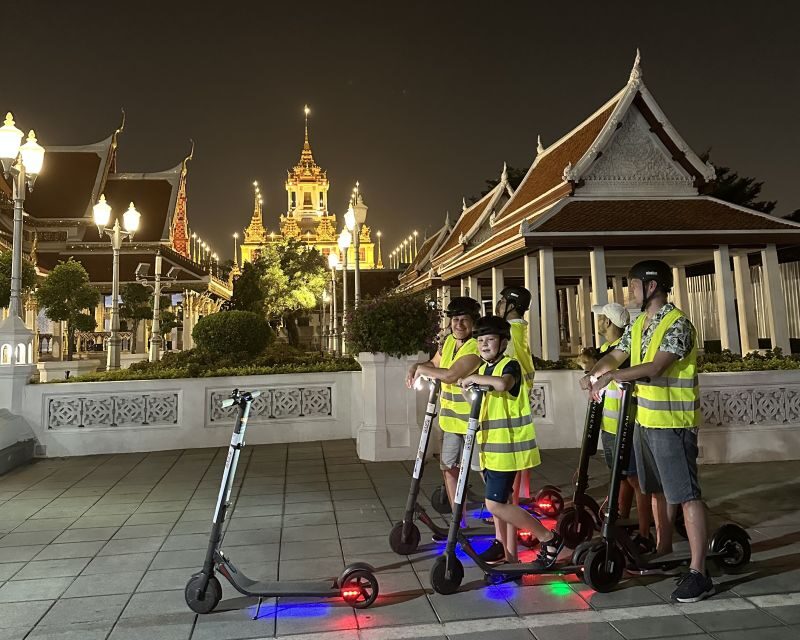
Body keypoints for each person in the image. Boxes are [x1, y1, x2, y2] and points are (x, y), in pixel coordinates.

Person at [582, 261, 711, 603]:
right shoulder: (639, 323)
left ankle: (700, 571)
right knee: (656, 490)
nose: (630, 291)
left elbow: (655, 367)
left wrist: (613, 377)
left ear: (652, 286)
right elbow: (618, 353)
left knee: (685, 495)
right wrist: (595, 371)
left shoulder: (677, 324)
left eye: (633, 285)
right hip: (646, 421)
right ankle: (664, 547)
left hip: (673, 423)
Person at [459, 315, 562, 567]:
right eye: (480, 340)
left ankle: (548, 537)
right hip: (490, 448)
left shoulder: (510, 365)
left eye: (490, 339)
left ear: (503, 342)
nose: (484, 345)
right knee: (502, 504)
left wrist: (473, 379)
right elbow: (480, 400)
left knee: (494, 504)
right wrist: (467, 389)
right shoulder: (483, 369)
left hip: (508, 450)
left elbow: (503, 385)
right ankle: (510, 558)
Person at [407, 296, 482, 537]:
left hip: (477, 422)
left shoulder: (476, 347)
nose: (458, 324)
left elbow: (450, 374)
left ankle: (504, 517)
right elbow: (434, 363)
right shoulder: (448, 342)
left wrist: (422, 369)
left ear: (474, 323)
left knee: (486, 471)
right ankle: (458, 524)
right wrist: (416, 366)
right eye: (455, 320)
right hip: (450, 421)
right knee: (449, 468)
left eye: (464, 320)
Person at [591, 302, 653, 551]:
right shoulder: (607, 349)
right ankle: (622, 518)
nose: (598, 322)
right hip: (610, 422)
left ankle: (645, 530)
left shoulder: (624, 353)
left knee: (636, 478)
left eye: (600, 318)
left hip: (625, 423)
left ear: (608, 323)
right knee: (622, 476)